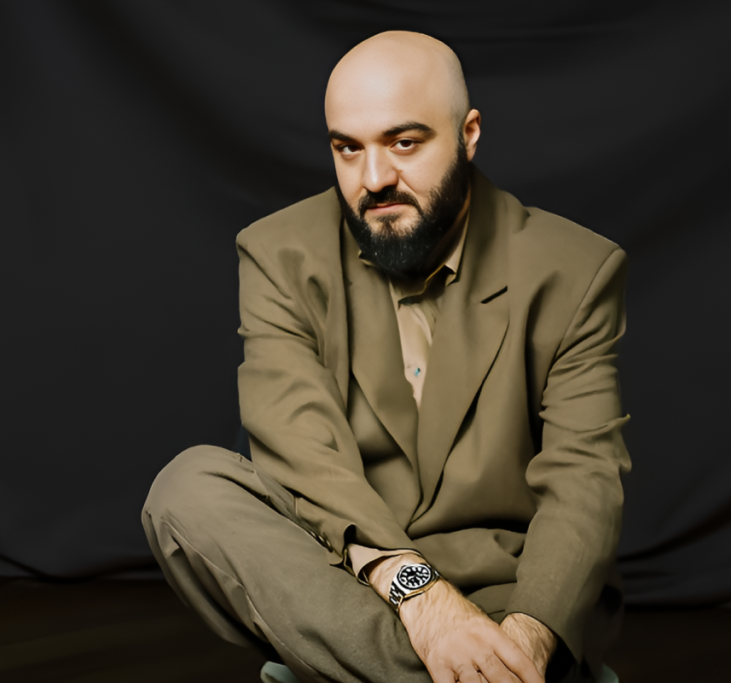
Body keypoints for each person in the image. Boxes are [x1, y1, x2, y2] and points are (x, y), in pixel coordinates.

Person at [143, 30, 630, 683]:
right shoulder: (277, 252)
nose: (373, 179)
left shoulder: (575, 268)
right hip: (354, 584)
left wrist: (528, 637)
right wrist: (421, 597)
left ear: (468, 134)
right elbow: (301, 450)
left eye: (404, 143)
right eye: (348, 148)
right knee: (186, 490)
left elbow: (583, 480)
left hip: (507, 594)